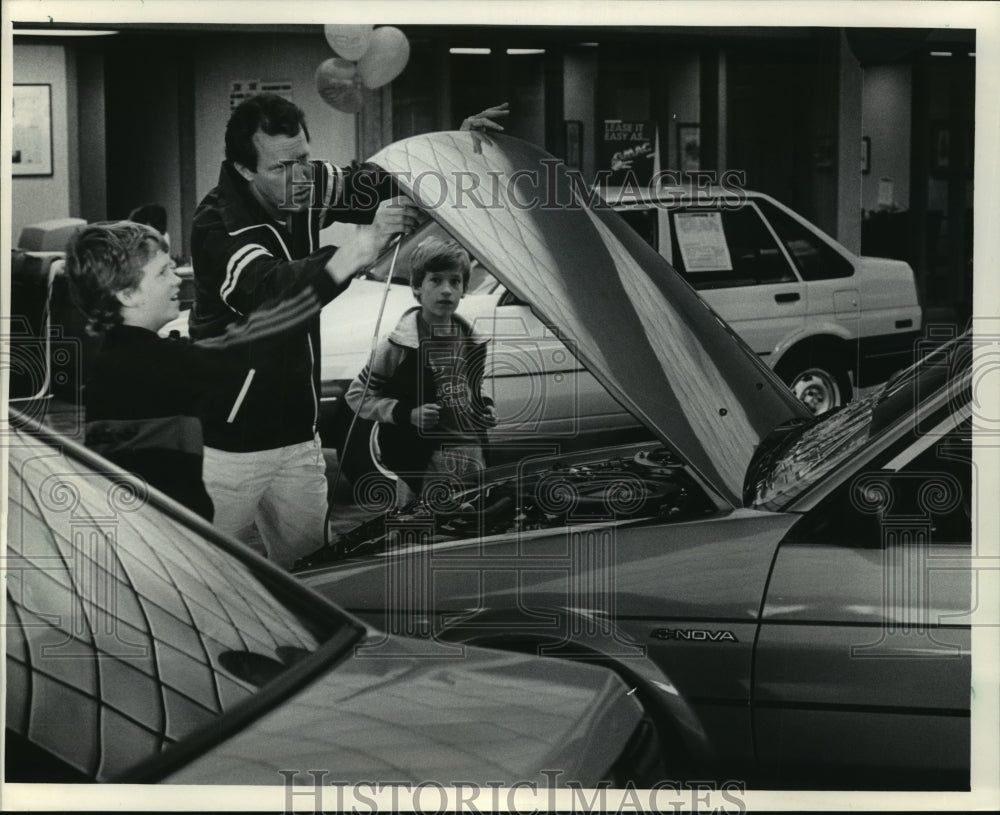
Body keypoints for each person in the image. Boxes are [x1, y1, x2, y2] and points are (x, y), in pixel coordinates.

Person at [189, 93, 507, 561]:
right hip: (229, 445)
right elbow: (272, 293)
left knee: (311, 569)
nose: (300, 177)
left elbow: (374, 183)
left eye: (304, 159)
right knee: (203, 573)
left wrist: (451, 146)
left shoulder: (301, 183)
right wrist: (362, 247)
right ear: (243, 170)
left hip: (298, 435)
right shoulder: (217, 225)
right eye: (281, 167)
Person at [65, 221, 325, 531]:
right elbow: (248, 343)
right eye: (162, 272)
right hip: (169, 540)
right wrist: (336, 270)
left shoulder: (114, 360)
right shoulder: (155, 364)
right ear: (127, 294)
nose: (176, 280)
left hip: (143, 534)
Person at [345, 237, 497, 507]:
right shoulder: (399, 345)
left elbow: (470, 388)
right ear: (416, 288)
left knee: (473, 533)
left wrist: (484, 406)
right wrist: (407, 413)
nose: (447, 290)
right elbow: (357, 396)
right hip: (423, 462)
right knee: (421, 535)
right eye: (435, 280)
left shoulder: (473, 340)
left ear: (464, 289)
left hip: (472, 455)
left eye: (455, 281)